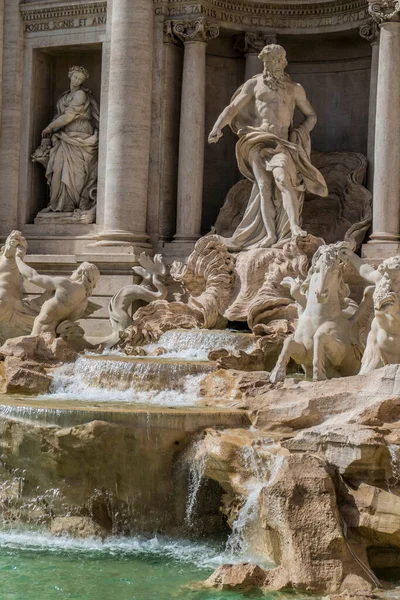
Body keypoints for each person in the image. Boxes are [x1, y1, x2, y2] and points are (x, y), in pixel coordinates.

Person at [208, 44, 328, 251]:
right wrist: (217, 127)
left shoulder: (294, 88)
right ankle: (270, 235)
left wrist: (299, 133)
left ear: (283, 62)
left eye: (275, 60)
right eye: (267, 61)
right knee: (263, 187)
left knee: (283, 180)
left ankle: (294, 227)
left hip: (281, 142)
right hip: (257, 139)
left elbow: (311, 115)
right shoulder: (254, 85)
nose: (270, 65)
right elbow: (233, 108)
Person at [33, 66, 100, 214]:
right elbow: (59, 116)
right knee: (57, 168)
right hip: (64, 137)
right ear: (70, 76)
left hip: (80, 136)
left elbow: (69, 116)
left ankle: (71, 205)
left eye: (80, 79)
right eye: (75, 77)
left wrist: (49, 127)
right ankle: (56, 204)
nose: (77, 80)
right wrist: (53, 128)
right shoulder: (64, 97)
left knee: (76, 174)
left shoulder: (81, 95)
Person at [15, 251, 100, 336]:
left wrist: (18, 258)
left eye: (76, 270)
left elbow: (32, 277)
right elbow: (63, 321)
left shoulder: (65, 285)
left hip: (38, 335)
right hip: (52, 337)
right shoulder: (83, 302)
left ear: (81, 272)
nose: (72, 272)